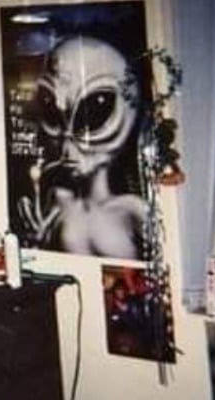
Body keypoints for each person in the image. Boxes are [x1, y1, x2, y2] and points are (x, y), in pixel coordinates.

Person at [16, 34, 147, 259]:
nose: (69, 144)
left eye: (94, 111)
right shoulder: (58, 206)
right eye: (53, 115)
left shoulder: (132, 211)